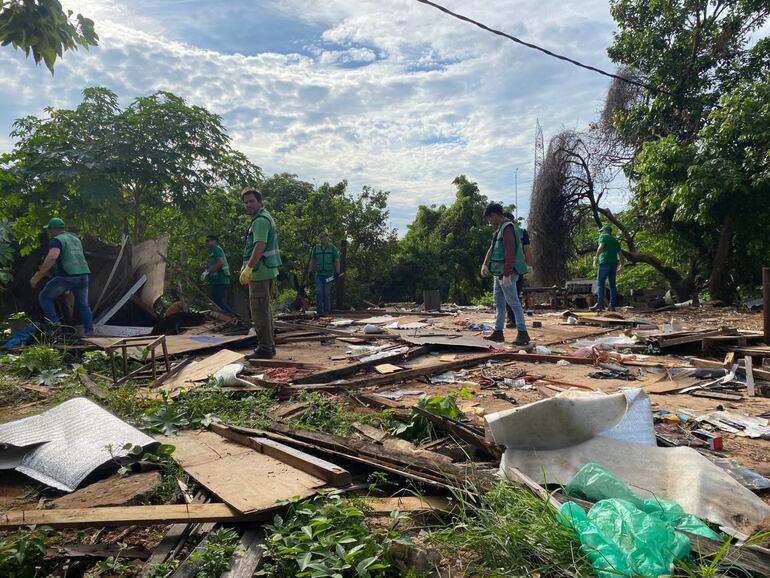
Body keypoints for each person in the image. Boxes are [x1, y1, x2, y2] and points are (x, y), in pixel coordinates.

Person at [30, 217, 94, 335]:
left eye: (50, 230)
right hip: (83, 275)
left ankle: (55, 327)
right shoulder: (75, 239)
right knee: (83, 305)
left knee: (44, 297)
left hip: (67, 277)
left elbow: (53, 256)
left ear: (54, 229)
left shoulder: (56, 240)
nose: (49, 232)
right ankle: (89, 331)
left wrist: (39, 275)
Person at [239, 187, 282, 359]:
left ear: (259, 201)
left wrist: (249, 267)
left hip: (260, 272)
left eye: (252, 201)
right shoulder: (264, 217)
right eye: (246, 202)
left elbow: (259, 245)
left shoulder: (260, 221)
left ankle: (264, 348)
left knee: (259, 312)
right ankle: (269, 346)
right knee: (265, 310)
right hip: (266, 271)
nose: (248, 205)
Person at [481, 204, 530, 345]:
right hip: (498, 273)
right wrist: (486, 264)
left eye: (489, 219)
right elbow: (494, 249)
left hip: (506, 273)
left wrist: (507, 273)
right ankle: (498, 332)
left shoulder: (508, 228)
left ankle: (522, 333)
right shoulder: (499, 230)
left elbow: (510, 251)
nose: (489, 222)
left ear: (494, 215)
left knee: (513, 302)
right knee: (499, 302)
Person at [502, 212, 533, 329]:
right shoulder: (517, 232)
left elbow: (527, 250)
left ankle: (514, 321)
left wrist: (530, 265)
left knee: (512, 295)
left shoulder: (520, 232)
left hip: (515, 268)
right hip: (512, 268)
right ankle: (513, 320)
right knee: (512, 295)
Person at [590, 224, 624, 311]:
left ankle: (600, 304)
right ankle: (612, 305)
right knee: (612, 285)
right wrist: (621, 265)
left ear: (605, 231)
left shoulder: (604, 237)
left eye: (601, 231)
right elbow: (620, 254)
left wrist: (596, 258)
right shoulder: (615, 241)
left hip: (604, 262)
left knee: (600, 283)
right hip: (614, 264)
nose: (600, 233)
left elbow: (601, 247)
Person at [307, 232, 340, 316]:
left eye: (324, 237)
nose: (323, 239)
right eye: (321, 237)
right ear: (320, 239)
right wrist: (310, 271)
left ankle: (327, 311)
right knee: (319, 291)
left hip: (329, 275)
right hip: (319, 274)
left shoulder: (332, 248)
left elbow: (336, 260)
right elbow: (312, 260)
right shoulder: (316, 248)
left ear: (327, 238)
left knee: (326, 292)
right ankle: (319, 311)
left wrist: (337, 272)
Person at [201, 235, 233, 314]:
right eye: (206, 241)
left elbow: (220, 262)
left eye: (208, 241)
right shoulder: (212, 252)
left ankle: (233, 317)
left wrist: (207, 271)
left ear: (214, 241)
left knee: (218, 301)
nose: (206, 243)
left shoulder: (216, 249)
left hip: (221, 279)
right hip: (216, 280)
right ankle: (228, 317)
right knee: (216, 300)